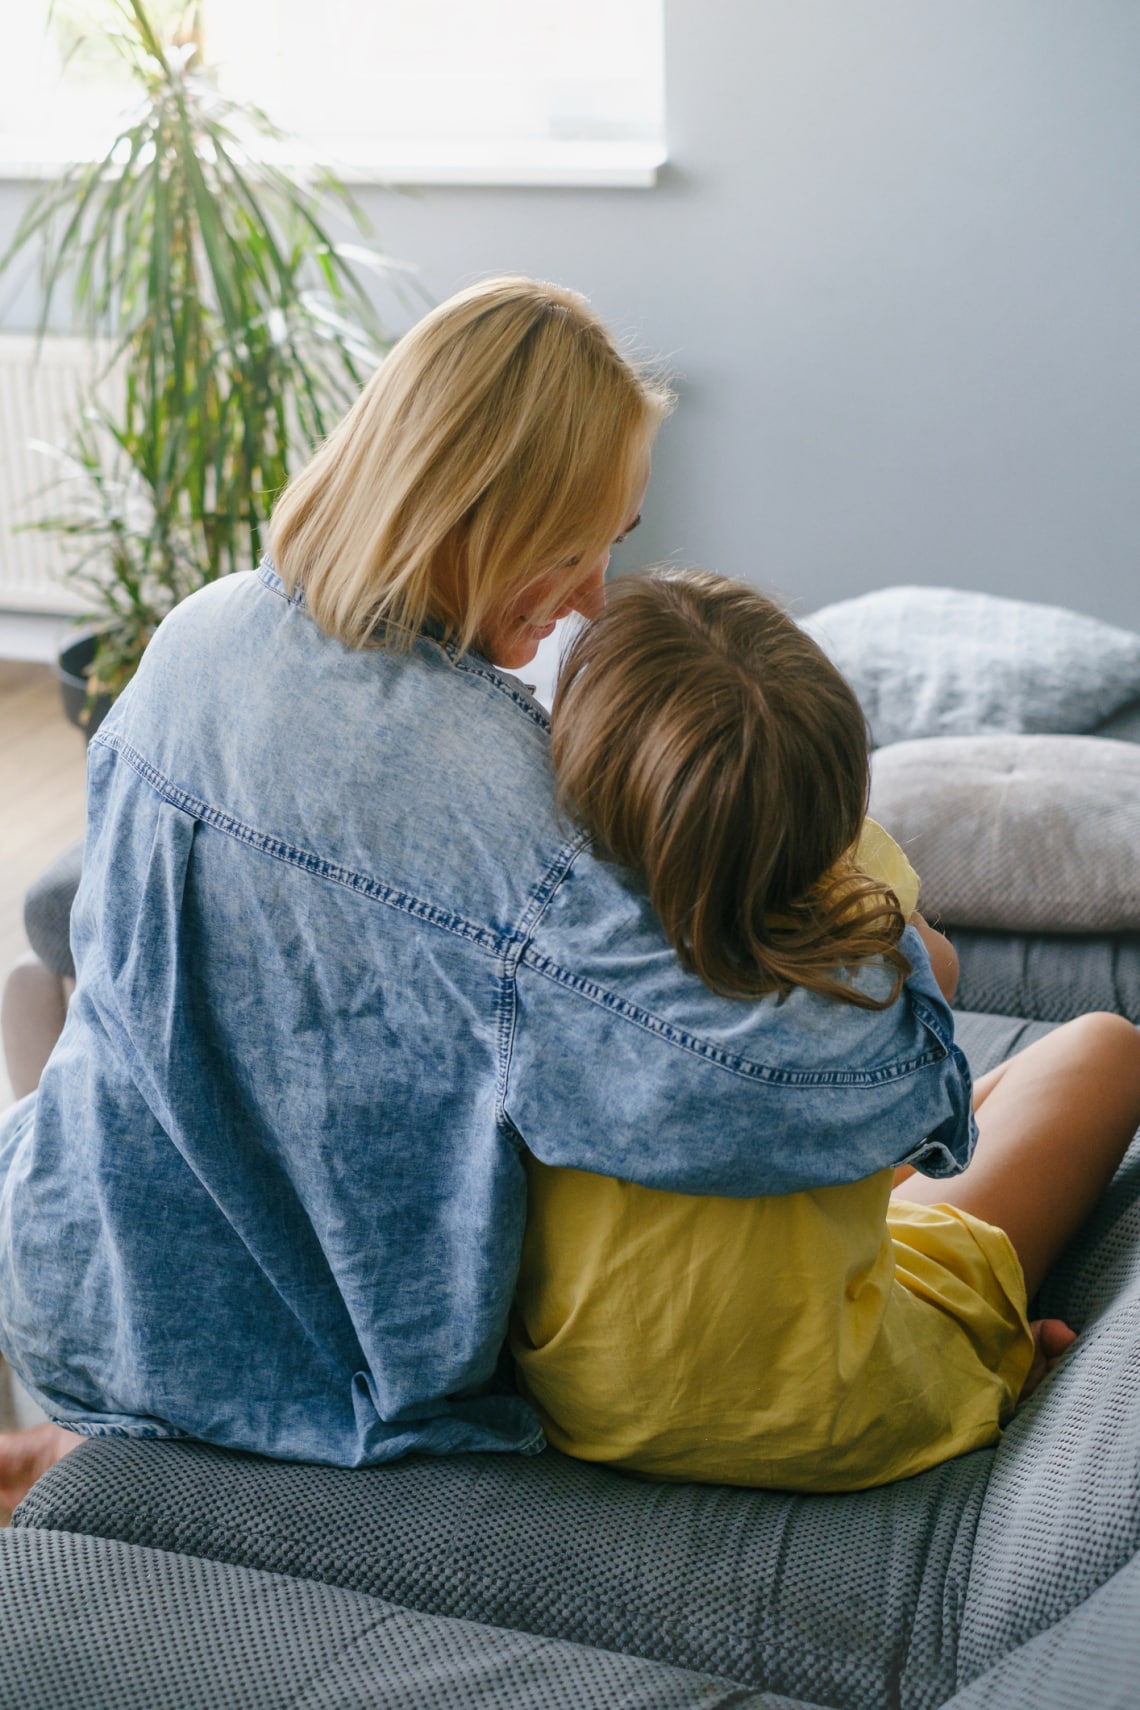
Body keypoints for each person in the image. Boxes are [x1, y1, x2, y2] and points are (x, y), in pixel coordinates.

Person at [0, 277, 1069, 1514]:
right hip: (260, 1361)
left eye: (615, 546)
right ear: (468, 511)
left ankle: (55, 1456)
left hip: (76, 1260)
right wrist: (916, 1003)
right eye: (576, 549)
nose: (591, 603)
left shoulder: (204, 629)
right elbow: (757, 1084)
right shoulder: (490, 796)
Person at [510, 570, 1140, 1490]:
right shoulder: (850, 881)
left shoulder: (534, 924)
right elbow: (945, 978)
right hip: (836, 1408)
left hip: (592, 1398)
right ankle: (983, 1354)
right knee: (1105, 1051)